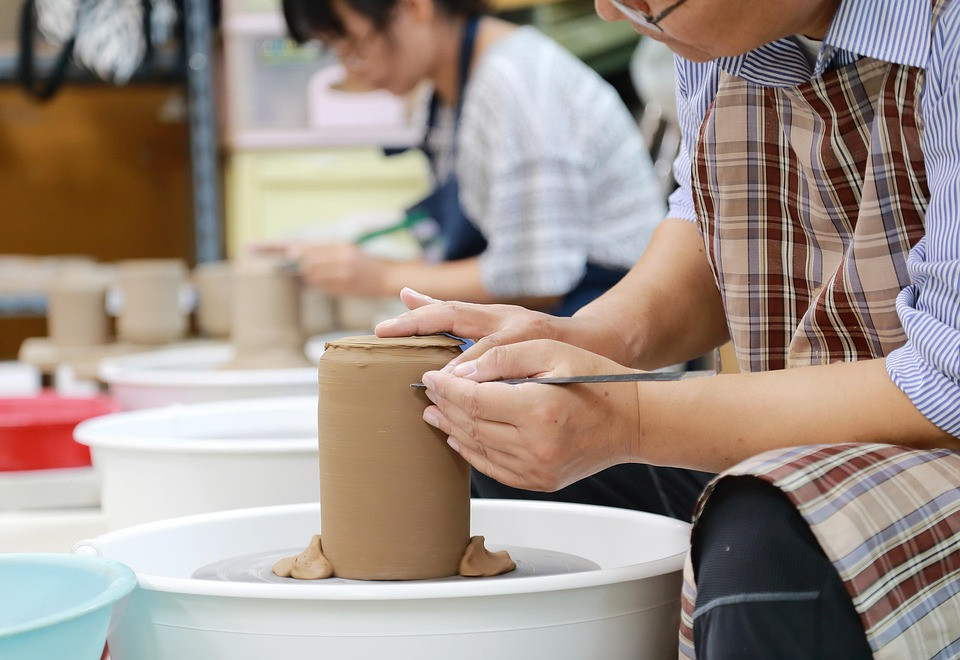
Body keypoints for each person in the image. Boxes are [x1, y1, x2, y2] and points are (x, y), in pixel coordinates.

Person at [374, 0, 960, 656]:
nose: (611, 11)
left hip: (933, 445)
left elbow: (948, 387)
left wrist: (627, 419)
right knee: (498, 447)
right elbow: (716, 225)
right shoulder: (720, 33)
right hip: (807, 439)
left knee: (766, 537)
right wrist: (586, 340)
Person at [282, 0, 715, 518]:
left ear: (415, 8)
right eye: (335, 52)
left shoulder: (514, 81)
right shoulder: (448, 92)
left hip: (615, 340)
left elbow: (536, 279)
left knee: (451, 440)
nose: (354, 68)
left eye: (355, 45)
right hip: (572, 331)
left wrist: (378, 276)